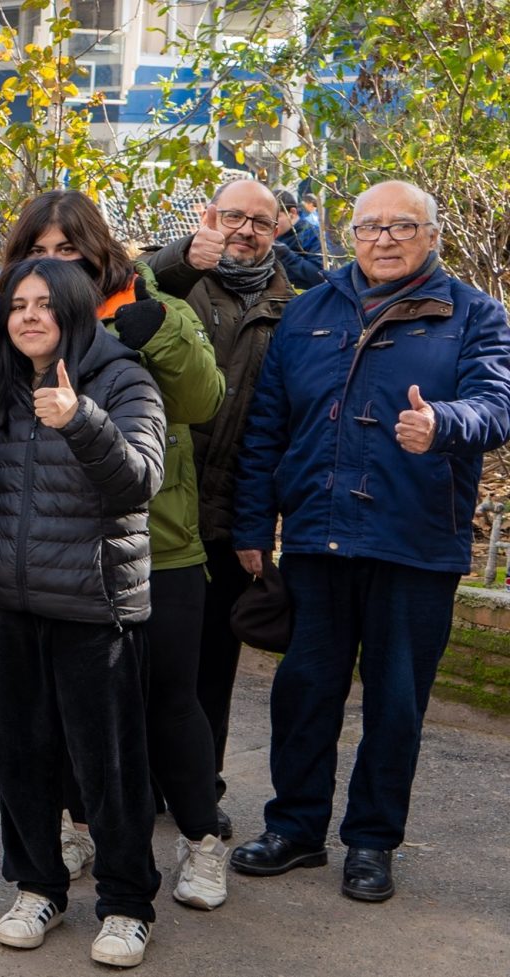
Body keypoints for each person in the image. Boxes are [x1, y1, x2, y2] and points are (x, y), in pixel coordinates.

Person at [229, 181, 510, 902]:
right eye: (369, 227)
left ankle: (372, 841)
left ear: (432, 234)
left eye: (402, 226)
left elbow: (497, 402)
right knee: (304, 692)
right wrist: (255, 526)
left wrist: (444, 423)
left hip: (417, 541)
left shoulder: (473, 313)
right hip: (320, 541)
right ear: (350, 235)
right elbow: (266, 427)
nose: (384, 239)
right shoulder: (310, 311)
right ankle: (294, 828)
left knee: (395, 703)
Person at [1, 190, 227, 912]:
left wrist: (155, 329)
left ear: (99, 251)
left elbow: (203, 399)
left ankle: (202, 837)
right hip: (66, 555)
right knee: (73, 714)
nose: (56, 264)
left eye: (70, 249)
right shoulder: (21, 329)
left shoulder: (152, 308)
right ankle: (75, 829)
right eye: (40, 251)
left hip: (159, 543)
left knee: (165, 706)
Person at [0, 257, 166, 968]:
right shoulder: (7, 385)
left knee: (109, 767)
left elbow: (139, 481)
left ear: (75, 311)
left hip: (93, 602)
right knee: (20, 756)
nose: (29, 317)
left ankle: (128, 902)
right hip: (14, 598)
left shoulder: (124, 377)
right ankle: (37, 885)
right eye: (17, 305)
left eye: (44, 304)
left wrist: (82, 419)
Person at [141, 179, 297, 840]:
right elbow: (124, 289)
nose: (246, 230)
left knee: (211, 666)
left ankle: (198, 783)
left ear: (279, 230)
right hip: (154, 510)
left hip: (230, 514)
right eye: (234, 215)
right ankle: (137, 779)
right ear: (208, 217)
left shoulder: (292, 305)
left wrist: (257, 524)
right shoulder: (174, 276)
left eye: (261, 221)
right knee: (140, 656)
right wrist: (184, 256)